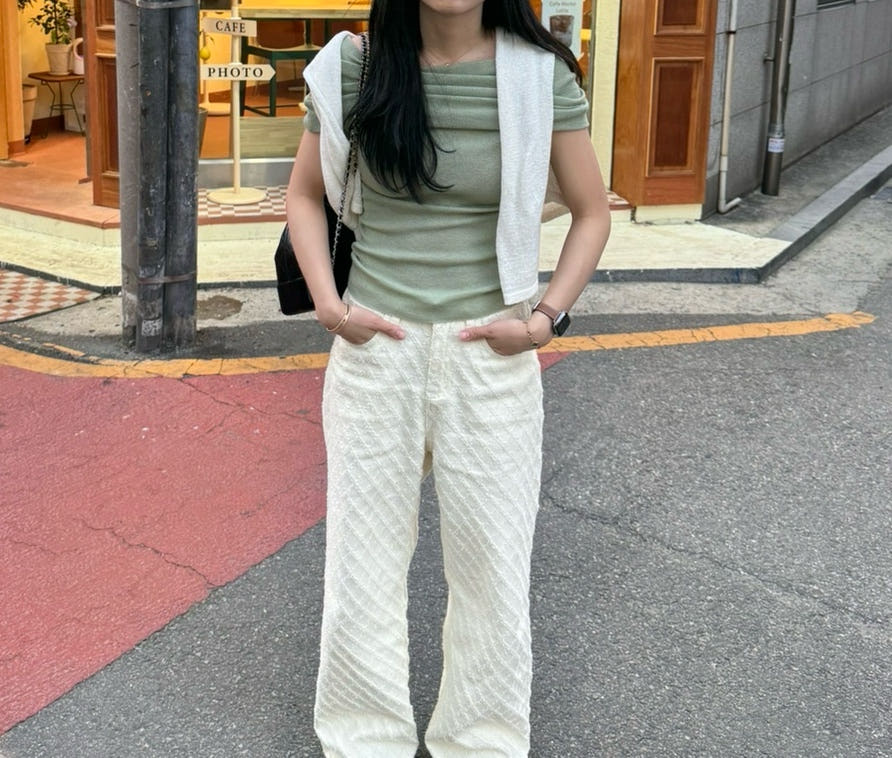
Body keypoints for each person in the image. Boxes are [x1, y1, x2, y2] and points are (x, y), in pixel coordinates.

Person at [285, 0, 611, 755]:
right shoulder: (356, 67)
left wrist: (544, 321)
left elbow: (592, 211)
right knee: (362, 568)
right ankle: (364, 740)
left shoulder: (538, 75)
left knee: (492, 568)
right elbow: (303, 193)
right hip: (377, 351)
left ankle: (482, 740)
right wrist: (331, 308)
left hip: (490, 355)